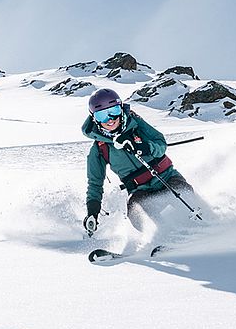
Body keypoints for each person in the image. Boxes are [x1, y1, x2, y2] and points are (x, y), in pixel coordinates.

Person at [82, 88, 194, 242]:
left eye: (113, 111)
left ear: (121, 109)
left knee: (182, 192)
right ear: (94, 119)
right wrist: (92, 212)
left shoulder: (136, 124)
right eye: (102, 115)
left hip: (167, 178)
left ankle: (196, 229)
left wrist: (144, 147)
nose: (110, 119)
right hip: (140, 190)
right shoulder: (99, 149)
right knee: (136, 210)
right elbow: (94, 183)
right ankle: (163, 239)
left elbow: (161, 144)